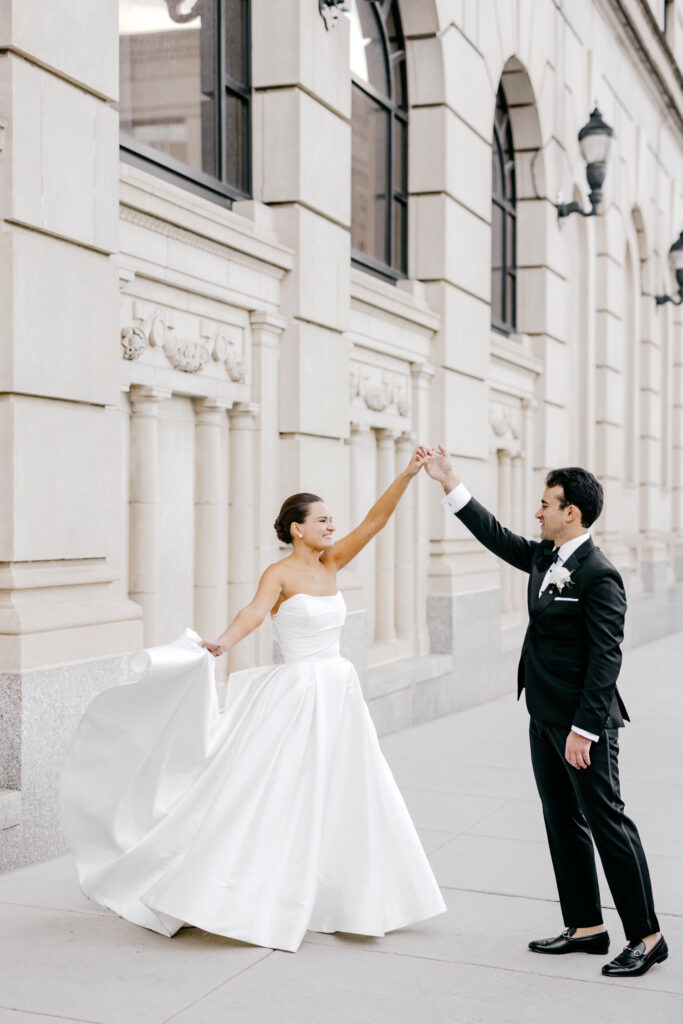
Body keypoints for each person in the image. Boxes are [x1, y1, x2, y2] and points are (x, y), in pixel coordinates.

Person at [59, 447, 446, 953]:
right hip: (300, 694)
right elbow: (255, 611)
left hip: (338, 692)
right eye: (322, 520)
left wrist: (410, 472)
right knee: (277, 790)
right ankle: (246, 888)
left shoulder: (334, 561)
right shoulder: (280, 575)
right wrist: (223, 641)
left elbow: (376, 520)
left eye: (332, 519)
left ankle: (338, 890)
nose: (332, 526)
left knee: (345, 787)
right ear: (296, 529)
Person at [423, 444, 667, 979]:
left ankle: (646, 936)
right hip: (544, 714)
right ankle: (585, 927)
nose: (537, 513)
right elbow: (497, 536)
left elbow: (606, 657)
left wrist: (583, 730)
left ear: (570, 512)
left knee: (608, 824)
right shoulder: (545, 557)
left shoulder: (599, 574)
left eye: (545, 504)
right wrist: (449, 482)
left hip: (584, 724)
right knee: (561, 820)